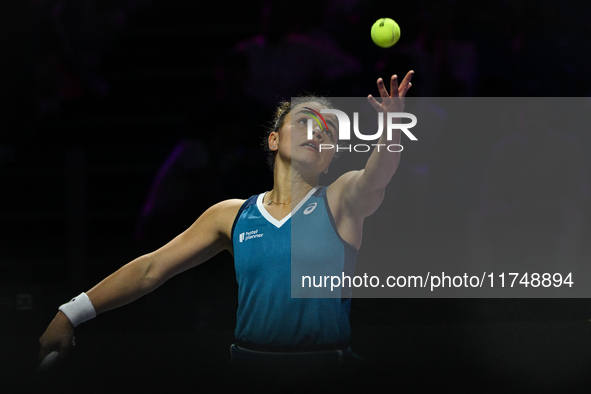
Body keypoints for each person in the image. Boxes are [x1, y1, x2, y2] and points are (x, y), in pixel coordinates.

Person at [38, 71, 414, 385]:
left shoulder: (341, 198)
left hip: (328, 373)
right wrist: (70, 313)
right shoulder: (231, 215)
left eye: (328, 130)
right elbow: (151, 269)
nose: (317, 131)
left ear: (331, 157)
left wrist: (392, 129)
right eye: (304, 121)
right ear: (274, 139)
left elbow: (376, 175)